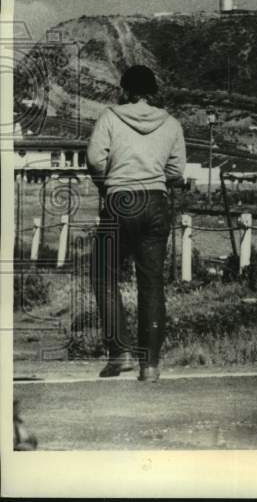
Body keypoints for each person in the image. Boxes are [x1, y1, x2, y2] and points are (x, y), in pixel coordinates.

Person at [86, 64, 186, 381]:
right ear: (153, 92)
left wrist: (108, 183)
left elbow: (94, 160)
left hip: (120, 201)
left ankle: (120, 353)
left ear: (124, 90)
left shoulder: (110, 117)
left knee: (103, 274)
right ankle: (151, 366)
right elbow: (176, 171)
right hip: (156, 203)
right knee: (152, 282)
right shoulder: (171, 123)